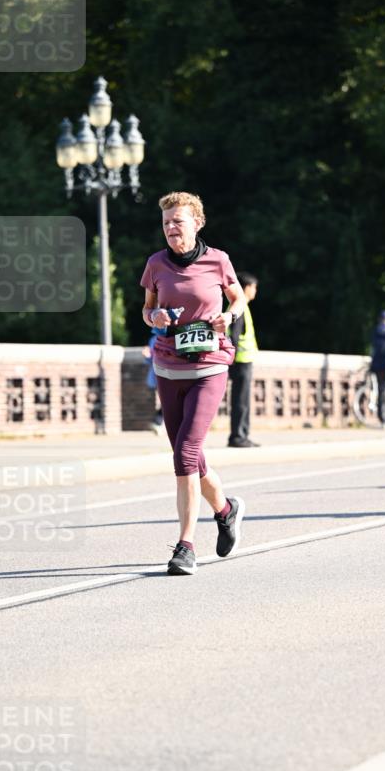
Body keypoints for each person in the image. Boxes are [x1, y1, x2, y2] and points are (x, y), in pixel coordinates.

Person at [140, 191, 247, 574]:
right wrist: (155, 319)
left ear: (197, 223)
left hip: (210, 365)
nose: (171, 228)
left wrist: (228, 317)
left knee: (185, 454)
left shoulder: (218, 260)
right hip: (169, 366)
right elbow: (147, 308)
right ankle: (226, 509)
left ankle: (185, 546)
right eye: (166, 222)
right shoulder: (155, 264)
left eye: (178, 221)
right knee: (191, 458)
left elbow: (238, 300)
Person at [228, 271, 260, 447]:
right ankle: (238, 436)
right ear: (246, 288)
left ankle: (242, 435)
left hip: (242, 360)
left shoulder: (242, 307)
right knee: (241, 400)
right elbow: (233, 335)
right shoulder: (239, 308)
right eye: (254, 287)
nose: (255, 290)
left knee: (243, 400)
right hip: (240, 361)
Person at [141, 326, 164, 434]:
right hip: (158, 376)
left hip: (166, 374)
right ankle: (158, 422)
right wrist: (147, 355)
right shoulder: (154, 339)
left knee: (167, 401)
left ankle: (159, 422)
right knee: (166, 401)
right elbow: (152, 359)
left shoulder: (169, 336)